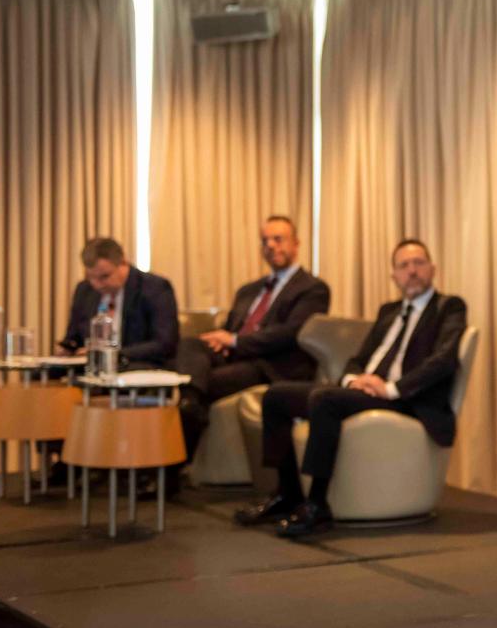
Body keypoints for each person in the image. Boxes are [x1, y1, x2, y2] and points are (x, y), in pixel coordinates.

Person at [235, 239, 467, 538]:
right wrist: (353, 380)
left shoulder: (449, 307)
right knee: (276, 396)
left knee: (325, 399)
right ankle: (287, 493)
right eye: (403, 265)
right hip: (367, 391)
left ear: (432, 269)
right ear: (394, 275)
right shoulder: (389, 311)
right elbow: (358, 359)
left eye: (418, 263)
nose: (412, 271)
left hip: (408, 399)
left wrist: (391, 388)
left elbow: (443, 360)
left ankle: (317, 504)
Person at [175, 215, 331, 462]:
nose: (270, 246)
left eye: (278, 239)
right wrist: (222, 342)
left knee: (207, 380)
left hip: (270, 365)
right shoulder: (248, 290)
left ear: (296, 243)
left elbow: (291, 333)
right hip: (234, 357)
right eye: (265, 241)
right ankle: (189, 400)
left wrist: (234, 341)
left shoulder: (312, 288)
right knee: (190, 344)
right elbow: (230, 329)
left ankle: (175, 462)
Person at [56, 237, 180, 368]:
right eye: (91, 277)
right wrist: (68, 349)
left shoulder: (155, 288)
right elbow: (73, 337)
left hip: (138, 367)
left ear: (123, 263)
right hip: (92, 369)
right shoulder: (84, 289)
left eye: (104, 276)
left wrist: (115, 354)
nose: (97, 284)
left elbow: (165, 344)